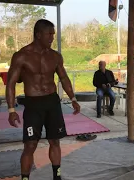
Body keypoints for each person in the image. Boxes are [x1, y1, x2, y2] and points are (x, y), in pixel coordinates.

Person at [5, 19, 80, 180]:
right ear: (38, 35)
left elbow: (64, 78)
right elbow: (10, 84)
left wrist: (73, 98)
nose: (52, 38)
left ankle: (57, 176)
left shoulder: (55, 56)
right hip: (33, 104)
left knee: (55, 141)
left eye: (53, 34)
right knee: (30, 145)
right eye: (49, 34)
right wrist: (11, 110)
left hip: (52, 102)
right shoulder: (21, 56)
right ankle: (25, 178)